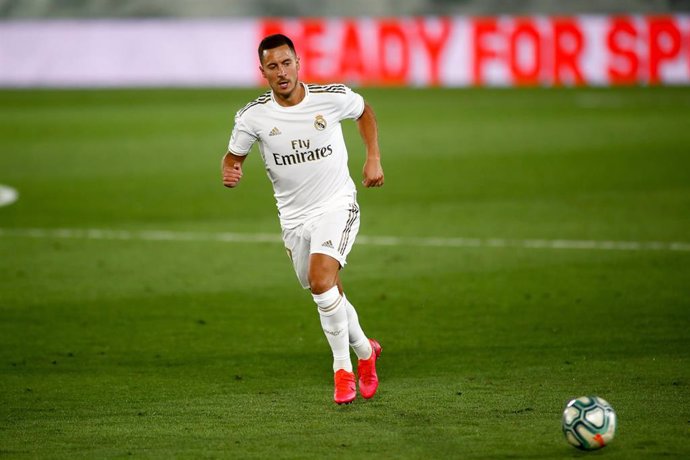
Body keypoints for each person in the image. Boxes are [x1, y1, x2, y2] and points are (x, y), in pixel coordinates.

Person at [221, 34, 385, 405]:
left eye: (287, 63)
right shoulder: (254, 117)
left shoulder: (331, 97)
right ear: (262, 71)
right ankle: (365, 351)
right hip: (294, 220)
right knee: (325, 290)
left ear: (299, 63)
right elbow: (233, 157)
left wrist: (372, 156)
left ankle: (342, 371)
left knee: (321, 278)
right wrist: (231, 171)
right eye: (273, 66)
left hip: (336, 204)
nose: (282, 72)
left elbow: (363, 111)